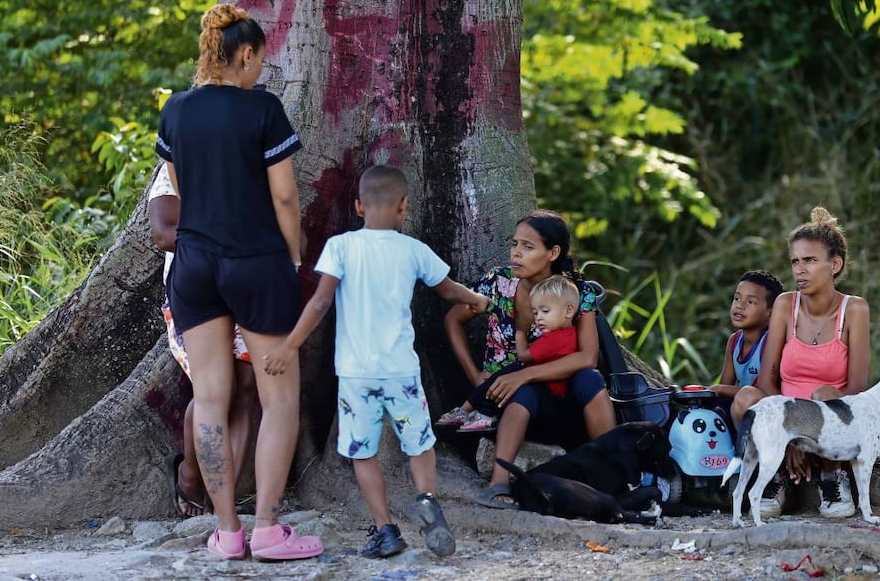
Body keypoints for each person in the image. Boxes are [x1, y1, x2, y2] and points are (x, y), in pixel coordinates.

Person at [155, 3, 322, 560]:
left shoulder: (176, 111)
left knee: (209, 398)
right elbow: (283, 195)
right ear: (245, 55)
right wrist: (293, 252)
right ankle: (269, 530)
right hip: (256, 262)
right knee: (278, 399)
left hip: (195, 265)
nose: (261, 72)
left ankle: (226, 533)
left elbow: (179, 188)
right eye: (259, 61)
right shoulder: (264, 110)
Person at [262, 165, 491, 559]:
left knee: (362, 452)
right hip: (401, 370)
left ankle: (385, 529)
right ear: (404, 206)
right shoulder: (413, 250)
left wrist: (288, 348)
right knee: (419, 443)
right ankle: (427, 498)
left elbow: (319, 302)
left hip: (355, 374)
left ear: (358, 206)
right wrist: (477, 299)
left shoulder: (341, 247)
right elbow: (449, 290)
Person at [443, 210, 617, 510]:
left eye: (528, 246)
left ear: (553, 253)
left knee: (590, 378)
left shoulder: (576, 293)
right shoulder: (498, 283)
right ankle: (498, 484)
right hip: (503, 399)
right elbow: (452, 320)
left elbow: (587, 357)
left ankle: (616, 469)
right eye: (514, 244)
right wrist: (476, 378)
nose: (516, 253)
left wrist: (523, 375)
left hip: (561, 400)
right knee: (521, 391)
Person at [730, 206, 871, 519]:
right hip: (785, 417)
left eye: (809, 260)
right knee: (746, 399)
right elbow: (767, 381)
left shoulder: (855, 310)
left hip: (832, 421)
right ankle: (776, 475)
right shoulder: (784, 304)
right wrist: (789, 435)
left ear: (835, 264)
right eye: (795, 261)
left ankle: (831, 478)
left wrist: (806, 434)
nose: (799, 270)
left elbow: (857, 390)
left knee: (826, 395)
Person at [148, 165, 259, 518]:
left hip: (245, 289)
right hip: (196, 292)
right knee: (214, 390)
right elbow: (165, 233)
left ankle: (220, 501)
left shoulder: (244, 163)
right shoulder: (176, 166)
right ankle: (190, 477)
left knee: (244, 387)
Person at [437, 274, 580, 432]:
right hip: (549, 387)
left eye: (545, 311)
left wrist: (520, 332)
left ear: (568, 311)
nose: (538, 318)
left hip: (546, 389)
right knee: (502, 377)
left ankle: (482, 414)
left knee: (507, 374)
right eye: (535, 312)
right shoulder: (570, 334)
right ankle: (467, 411)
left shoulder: (552, 340)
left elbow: (524, 356)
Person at [710, 270, 784, 399]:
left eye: (751, 302)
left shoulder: (770, 342)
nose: (740, 305)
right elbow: (724, 390)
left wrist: (719, 389)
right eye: (737, 298)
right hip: (742, 407)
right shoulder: (734, 341)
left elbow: (761, 392)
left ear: (771, 314)